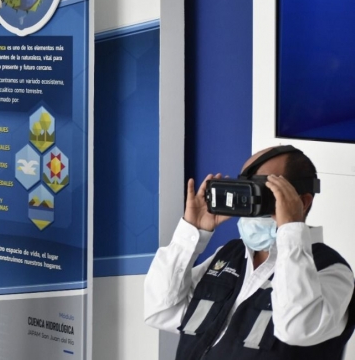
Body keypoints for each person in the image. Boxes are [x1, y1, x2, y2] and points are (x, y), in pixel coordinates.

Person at [144, 145, 355, 359]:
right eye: (246, 187)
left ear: (302, 201)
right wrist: (192, 232)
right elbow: (160, 311)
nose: (252, 200)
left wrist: (290, 229)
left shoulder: (331, 271)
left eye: (264, 190)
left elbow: (296, 328)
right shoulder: (228, 257)